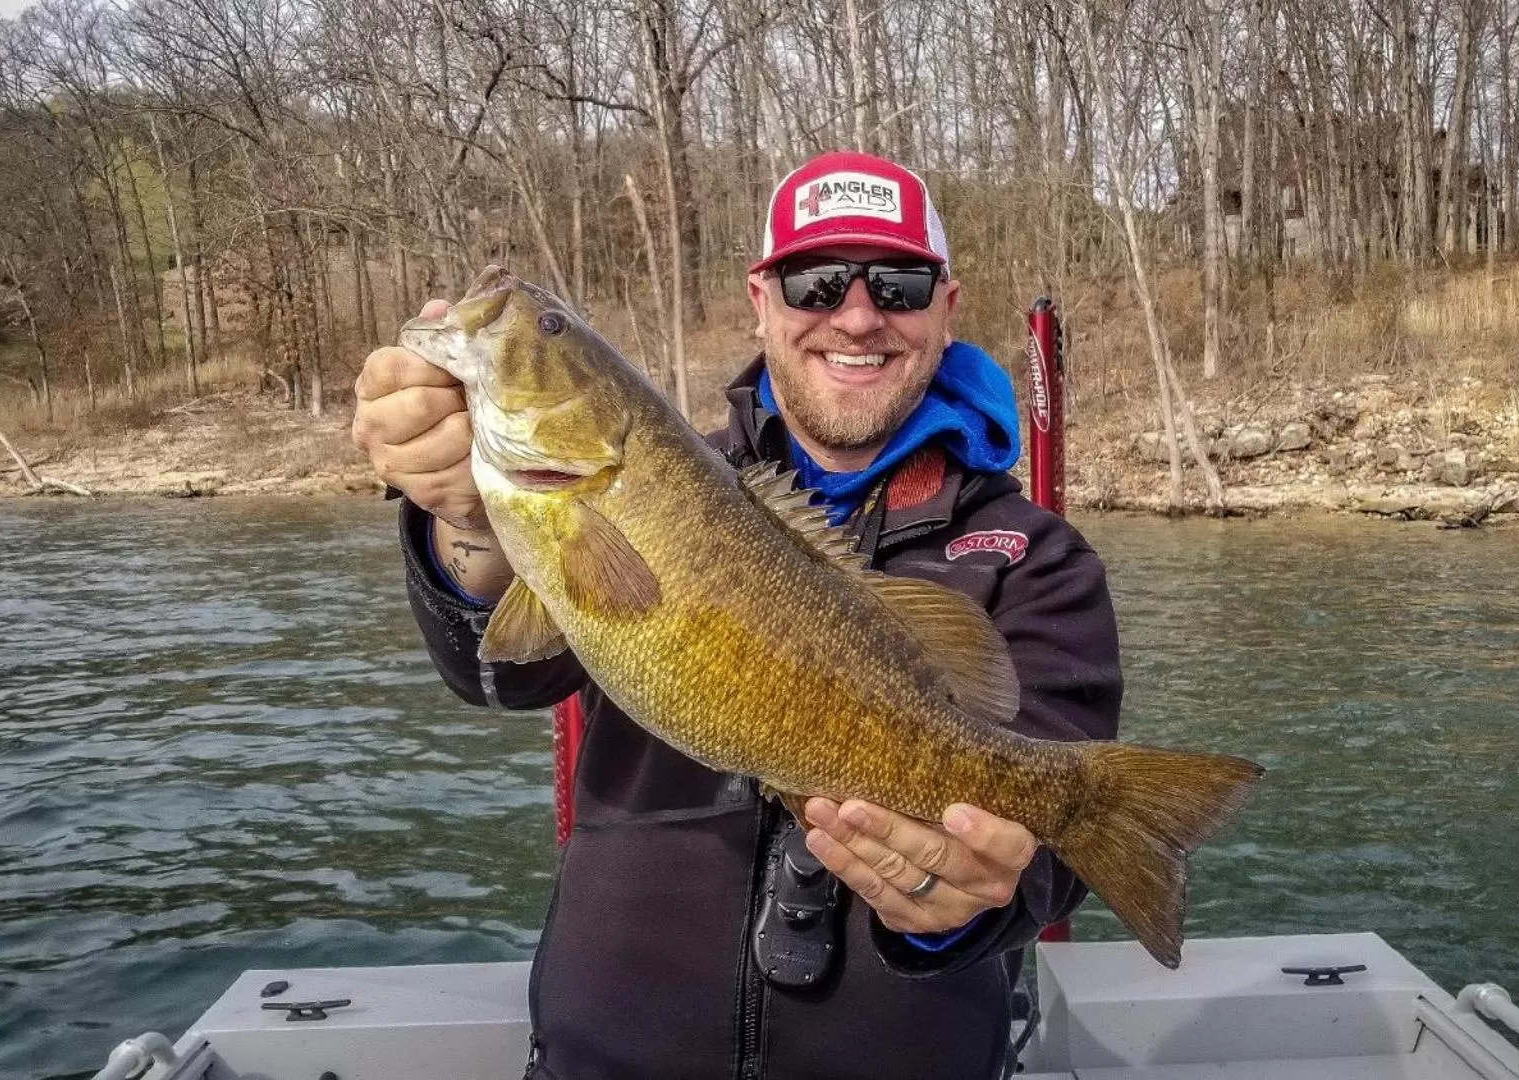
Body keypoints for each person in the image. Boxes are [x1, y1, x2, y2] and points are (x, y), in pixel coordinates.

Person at [351, 150, 1123, 1080]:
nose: (856, 313)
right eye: (814, 281)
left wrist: (962, 904)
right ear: (760, 300)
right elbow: (499, 673)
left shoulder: (1034, 555)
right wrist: (465, 522)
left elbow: (1047, 867)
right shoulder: (659, 479)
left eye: (899, 283)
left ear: (945, 309)